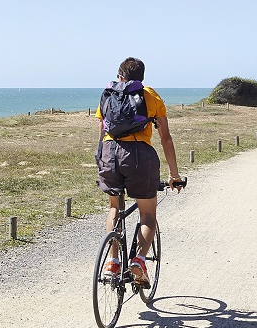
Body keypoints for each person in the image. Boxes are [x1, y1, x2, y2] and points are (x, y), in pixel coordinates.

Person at [96, 57, 184, 287]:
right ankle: (139, 259)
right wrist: (174, 175)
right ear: (142, 77)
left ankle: (113, 262)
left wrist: (102, 160)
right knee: (147, 214)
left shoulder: (108, 94)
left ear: (120, 76)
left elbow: (101, 132)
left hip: (109, 154)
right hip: (139, 157)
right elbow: (165, 137)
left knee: (115, 207)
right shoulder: (151, 96)